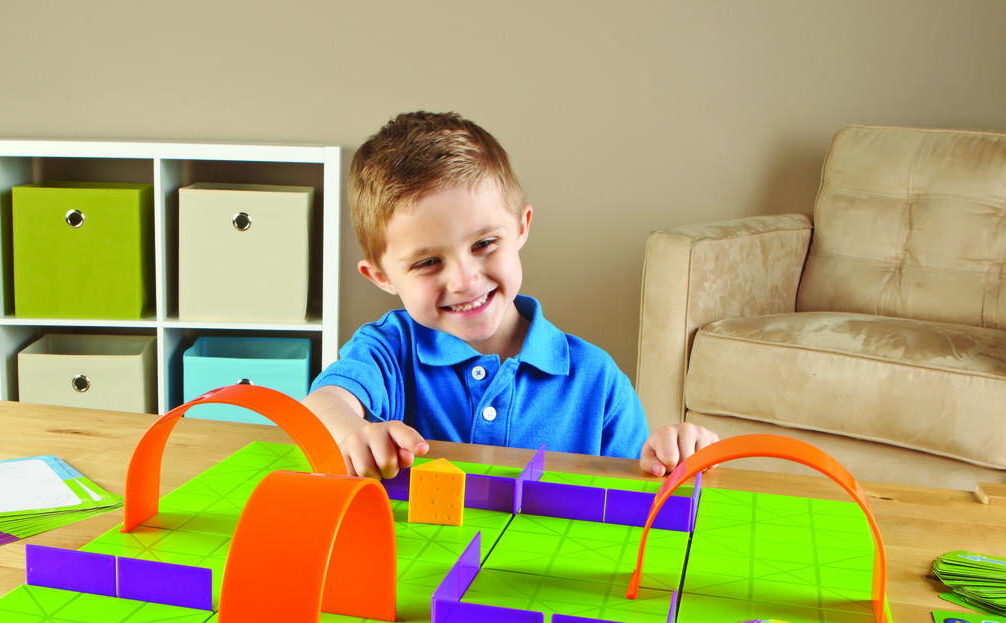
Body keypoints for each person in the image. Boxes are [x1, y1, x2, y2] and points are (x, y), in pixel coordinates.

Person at [304, 110, 718, 479]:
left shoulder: (598, 381)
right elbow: (322, 405)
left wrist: (671, 456)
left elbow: (640, 492)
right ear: (381, 276)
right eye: (428, 262)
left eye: (484, 244)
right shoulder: (388, 350)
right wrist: (352, 433)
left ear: (521, 227)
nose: (464, 280)